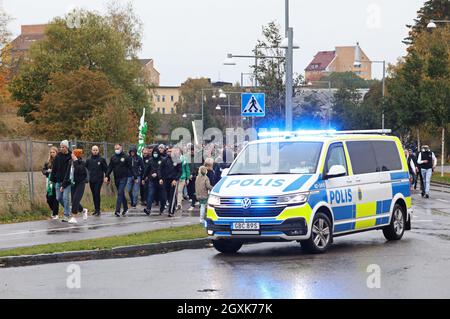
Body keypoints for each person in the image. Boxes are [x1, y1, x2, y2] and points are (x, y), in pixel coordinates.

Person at [61, 149, 88, 224]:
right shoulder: (70, 162)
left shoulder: (82, 163)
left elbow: (80, 171)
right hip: (73, 183)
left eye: (73, 154)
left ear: (76, 155)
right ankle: (83, 210)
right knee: (74, 201)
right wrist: (63, 185)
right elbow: (67, 174)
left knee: (76, 199)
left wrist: (76, 161)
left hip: (81, 183)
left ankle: (74, 217)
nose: (71, 155)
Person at [105, 144, 132, 217]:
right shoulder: (113, 157)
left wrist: (135, 177)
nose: (117, 149)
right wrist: (107, 176)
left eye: (118, 148)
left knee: (120, 192)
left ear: (121, 148)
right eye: (115, 148)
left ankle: (117, 210)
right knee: (121, 193)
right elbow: (110, 167)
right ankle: (126, 208)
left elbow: (130, 167)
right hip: (116, 178)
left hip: (124, 177)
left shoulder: (126, 157)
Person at [51, 140, 72, 222]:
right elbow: (54, 169)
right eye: (61, 147)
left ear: (67, 147)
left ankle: (66, 215)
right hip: (58, 180)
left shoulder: (71, 156)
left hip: (67, 181)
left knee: (65, 197)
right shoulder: (58, 156)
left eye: (63, 147)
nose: (61, 148)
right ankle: (68, 208)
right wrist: (52, 179)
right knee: (59, 198)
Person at [143, 146, 166, 215]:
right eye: (154, 153)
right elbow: (147, 170)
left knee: (162, 196)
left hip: (161, 181)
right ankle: (148, 209)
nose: (155, 154)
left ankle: (162, 208)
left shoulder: (162, 160)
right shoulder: (150, 160)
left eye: (156, 153)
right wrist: (143, 178)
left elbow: (164, 170)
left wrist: (160, 177)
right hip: (152, 180)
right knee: (150, 194)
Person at [86, 145, 108, 216]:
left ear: (98, 151)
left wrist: (107, 177)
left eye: (96, 150)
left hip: (99, 180)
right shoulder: (89, 160)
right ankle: (95, 209)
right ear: (91, 151)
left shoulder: (101, 159)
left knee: (96, 193)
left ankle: (98, 210)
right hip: (91, 180)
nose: (95, 151)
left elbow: (106, 169)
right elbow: (84, 167)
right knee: (93, 195)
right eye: (93, 150)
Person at [160, 147, 182, 217]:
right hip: (165, 180)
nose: (169, 153)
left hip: (173, 180)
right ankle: (164, 208)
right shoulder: (164, 160)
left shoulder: (177, 160)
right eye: (168, 151)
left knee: (172, 196)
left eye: (170, 151)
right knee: (164, 196)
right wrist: (160, 178)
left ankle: (171, 211)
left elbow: (180, 171)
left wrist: (175, 179)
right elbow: (160, 169)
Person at [42, 146, 59, 219]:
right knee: (48, 197)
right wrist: (47, 171)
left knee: (55, 197)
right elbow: (43, 170)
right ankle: (53, 210)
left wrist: (54, 172)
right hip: (49, 182)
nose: (52, 153)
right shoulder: (47, 162)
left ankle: (55, 214)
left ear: (56, 153)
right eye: (51, 152)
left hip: (56, 181)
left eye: (53, 152)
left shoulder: (59, 161)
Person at [176, 148, 191, 212]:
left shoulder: (184, 159)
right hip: (175, 178)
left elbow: (187, 169)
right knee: (176, 191)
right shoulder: (174, 159)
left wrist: (187, 178)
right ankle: (177, 202)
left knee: (179, 191)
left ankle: (179, 204)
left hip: (182, 177)